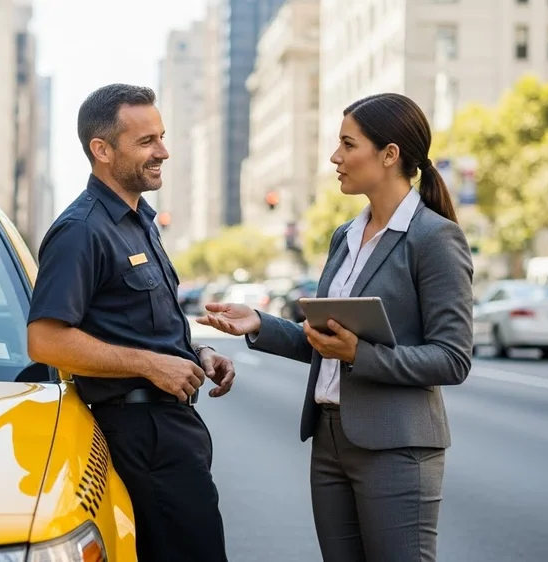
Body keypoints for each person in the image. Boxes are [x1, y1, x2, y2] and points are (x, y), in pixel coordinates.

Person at [197, 93, 474, 562]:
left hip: (397, 447)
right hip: (329, 440)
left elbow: (453, 358)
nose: (335, 157)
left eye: (348, 144)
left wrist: (358, 355)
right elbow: (326, 342)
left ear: (389, 155)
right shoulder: (344, 236)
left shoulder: (434, 238)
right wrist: (259, 323)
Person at [26, 83, 234, 562]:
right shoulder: (81, 230)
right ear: (101, 150)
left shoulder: (140, 220)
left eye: (161, 137)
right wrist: (150, 366)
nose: (163, 151)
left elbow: (136, 325)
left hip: (171, 427)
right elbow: (45, 340)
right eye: (146, 142)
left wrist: (197, 355)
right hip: (140, 432)